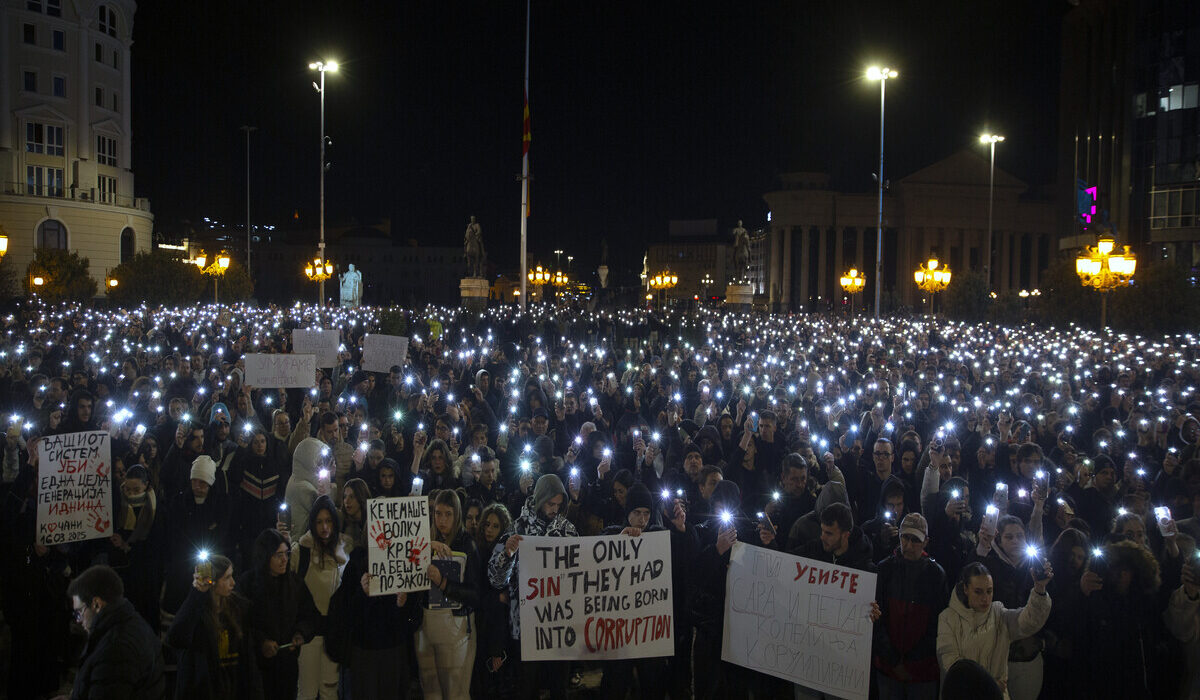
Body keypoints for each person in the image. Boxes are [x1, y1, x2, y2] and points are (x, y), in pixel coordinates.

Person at [488, 474, 579, 699]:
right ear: (539, 500)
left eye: (559, 505)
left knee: (559, 688)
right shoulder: (517, 529)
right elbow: (495, 579)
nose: (554, 509)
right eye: (550, 503)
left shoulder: (568, 530)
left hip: (560, 625)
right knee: (527, 688)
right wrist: (507, 555)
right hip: (527, 628)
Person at [936, 561, 1052, 699]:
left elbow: (1029, 622)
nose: (985, 598)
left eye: (989, 591)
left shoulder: (999, 614)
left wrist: (1039, 588)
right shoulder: (948, 618)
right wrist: (988, 686)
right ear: (966, 589)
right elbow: (950, 664)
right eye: (978, 592)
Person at [166, 553, 262, 699]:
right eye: (227, 578)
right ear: (213, 582)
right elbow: (176, 638)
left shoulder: (238, 609)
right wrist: (196, 594)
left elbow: (248, 659)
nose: (233, 583)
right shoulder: (196, 612)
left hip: (235, 688)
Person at [61, 564, 165, 700]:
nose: (78, 621)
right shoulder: (131, 621)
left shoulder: (115, 648)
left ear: (96, 604)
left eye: (79, 612)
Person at [417, 490, 480, 699]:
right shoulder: (424, 540)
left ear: (457, 515)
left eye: (448, 514)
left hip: (456, 625)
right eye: (437, 513)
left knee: (455, 691)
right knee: (431, 690)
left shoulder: (466, 544)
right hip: (426, 624)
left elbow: (476, 594)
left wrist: (444, 583)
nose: (442, 520)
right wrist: (426, 547)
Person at [243, 529, 319, 700]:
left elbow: (310, 616)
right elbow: (241, 624)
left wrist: (300, 633)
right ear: (265, 556)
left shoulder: (295, 583)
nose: (284, 559)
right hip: (256, 668)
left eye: (286, 553)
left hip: (287, 666)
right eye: (278, 555)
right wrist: (261, 642)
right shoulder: (248, 584)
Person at [292, 495, 347, 700]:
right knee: (307, 691)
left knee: (329, 690)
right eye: (319, 522)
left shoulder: (344, 549)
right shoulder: (301, 552)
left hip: (332, 633)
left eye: (328, 521)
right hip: (309, 633)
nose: (324, 527)